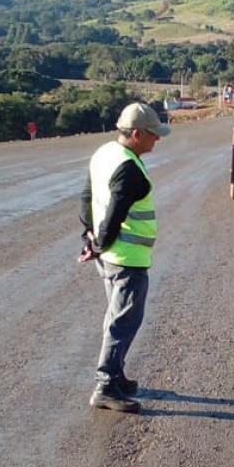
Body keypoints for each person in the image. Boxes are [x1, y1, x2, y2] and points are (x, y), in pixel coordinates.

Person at [78, 102, 170, 413]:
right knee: (124, 320)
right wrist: (100, 243)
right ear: (136, 134)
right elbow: (115, 211)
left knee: (116, 316)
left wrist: (89, 239)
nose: (157, 140)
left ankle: (115, 375)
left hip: (111, 256)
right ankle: (105, 385)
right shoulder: (129, 168)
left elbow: (88, 197)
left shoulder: (105, 154)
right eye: (153, 135)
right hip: (127, 258)